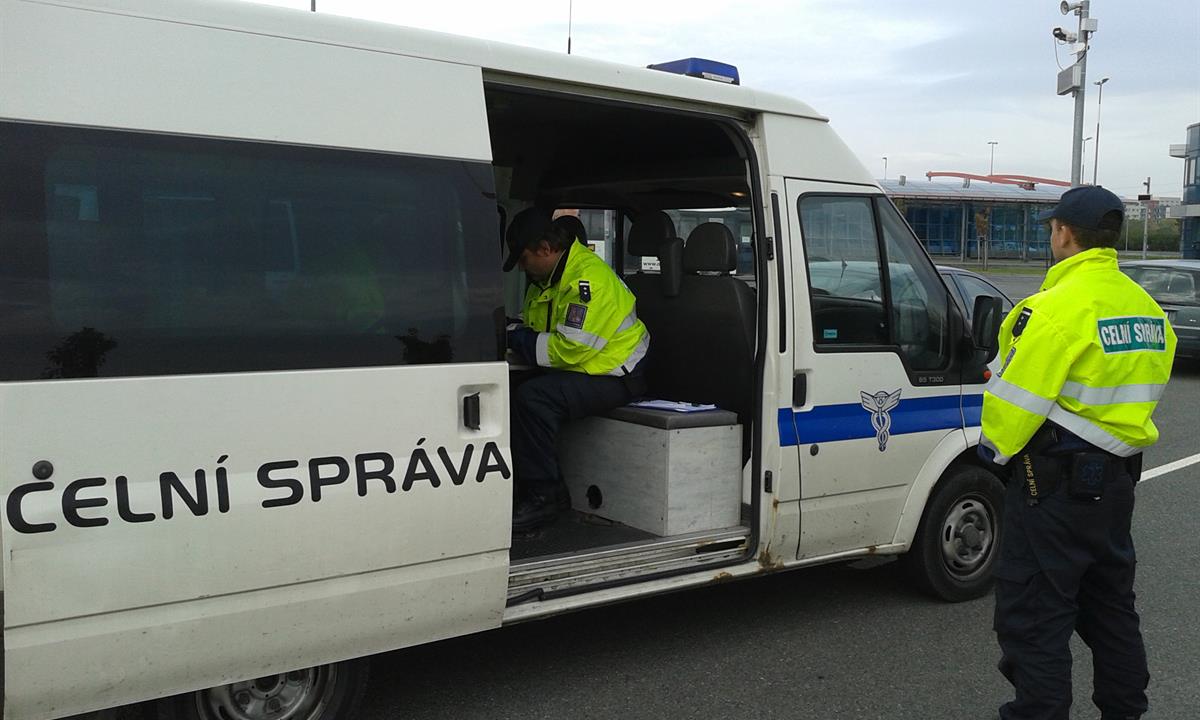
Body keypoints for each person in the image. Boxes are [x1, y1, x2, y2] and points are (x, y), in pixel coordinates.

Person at [978, 185, 1176, 720]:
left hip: (1052, 486)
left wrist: (992, 456)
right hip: (1116, 481)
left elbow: (1014, 403)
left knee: (1035, 616)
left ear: (1065, 233)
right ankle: (1125, 711)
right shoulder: (1147, 309)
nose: (1052, 235)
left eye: (1052, 228)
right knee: (1111, 610)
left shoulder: (1052, 309)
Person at [503, 208, 650, 531]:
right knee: (507, 387)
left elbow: (569, 349)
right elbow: (536, 327)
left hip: (617, 373)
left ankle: (546, 495)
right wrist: (513, 332)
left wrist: (518, 339)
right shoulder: (547, 278)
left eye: (524, 259)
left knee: (533, 399)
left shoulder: (586, 281)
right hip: (585, 367)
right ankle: (518, 486)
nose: (523, 267)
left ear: (545, 248)